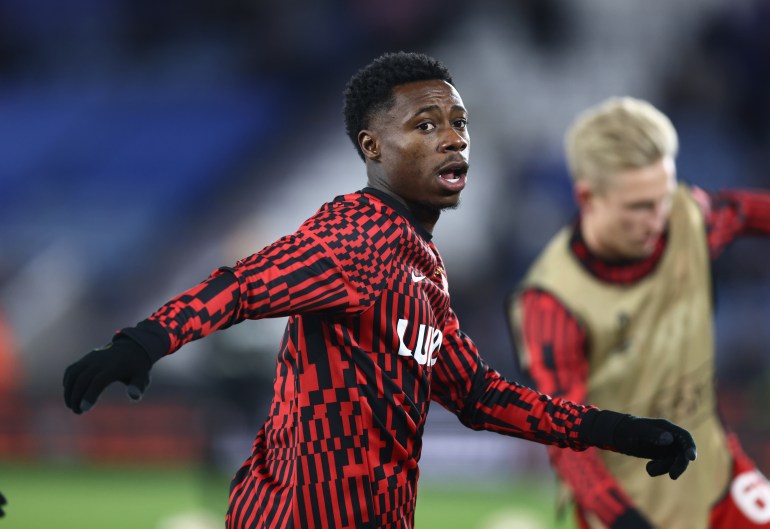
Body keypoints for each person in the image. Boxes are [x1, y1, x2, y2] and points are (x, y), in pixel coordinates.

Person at [63, 52, 696, 529]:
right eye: (425, 125)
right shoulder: (355, 235)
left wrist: (621, 431)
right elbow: (246, 283)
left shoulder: (424, 271)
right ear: (372, 146)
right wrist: (142, 342)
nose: (453, 137)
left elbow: (479, 395)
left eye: (458, 122)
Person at [507, 96, 770, 529]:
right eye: (639, 206)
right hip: (625, 501)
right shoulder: (552, 303)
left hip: (717, 477)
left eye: (663, 198)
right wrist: (627, 520)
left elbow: (742, 212)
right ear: (589, 197)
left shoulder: (689, 218)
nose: (658, 219)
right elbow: (565, 442)